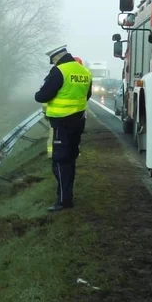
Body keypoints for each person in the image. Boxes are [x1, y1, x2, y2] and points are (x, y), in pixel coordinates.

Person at [34, 44, 92, 212]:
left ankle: (63, 201)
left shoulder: (59, 71)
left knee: (59, 161)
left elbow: (42, 96)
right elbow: (87, 95)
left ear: (57, 57)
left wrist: (39, 94)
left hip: (61, 122)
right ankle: (67, 197)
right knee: (70, 159)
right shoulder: (84, 71)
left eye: (53, 61)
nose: (53, 64)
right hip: (78, 121)